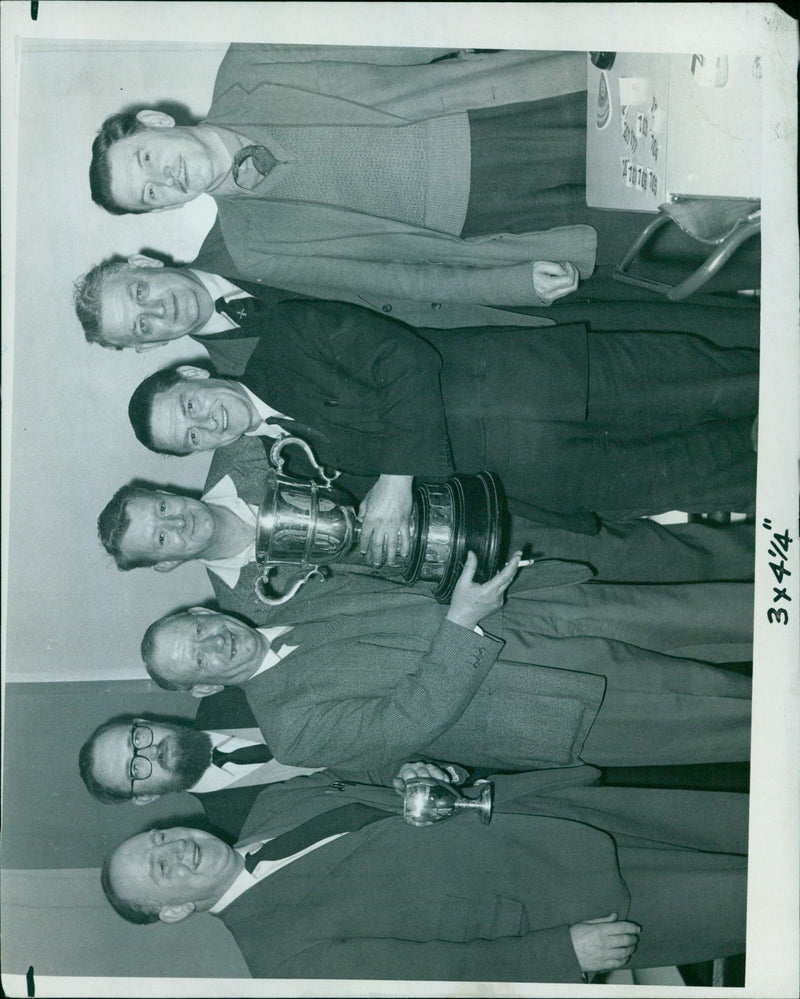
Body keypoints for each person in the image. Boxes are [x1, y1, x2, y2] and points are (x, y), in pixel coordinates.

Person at [127, 300, 760, 537]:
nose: (207, 422)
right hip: (561, 479)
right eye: (192, 438)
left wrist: (397, 478)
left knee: (734, 384)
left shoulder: (286, 337)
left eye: (190, 407)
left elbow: (401, 357)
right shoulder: (290, 473)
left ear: (194, 374)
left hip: (554, 383)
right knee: (728, 479)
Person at [138, 551, 752, 783]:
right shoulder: (290, 732)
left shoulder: (285, 590)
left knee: (722, 611)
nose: (211, 641)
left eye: (195, 627)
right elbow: (411, 719)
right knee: (734, 712)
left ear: (202, 609)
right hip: (547, 702)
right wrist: (461, 621)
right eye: (197, 659)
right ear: (207, 685)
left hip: (539, 606)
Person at [101, 765, 747, 982]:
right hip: (567, 904)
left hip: (557, 812)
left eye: (159, 837)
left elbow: (391, 785)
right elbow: (438, 972)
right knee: (755, 901)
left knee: (750, 820)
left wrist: (418, 769)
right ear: (174, 910)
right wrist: (560, 950)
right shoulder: (277, 957)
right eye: (159, 871)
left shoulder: (275, 803)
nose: (175, 849)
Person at [89, 45, 618, 309]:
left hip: (496, 109)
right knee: (655, 216)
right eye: (151, 195)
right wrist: (511, 281)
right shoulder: (255, 251)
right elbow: (396, 279)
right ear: (164, 210)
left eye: (145, 160)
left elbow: (403, 35)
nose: (165, 178)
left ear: (156, 124)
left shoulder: (250, 61)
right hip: (493, 224)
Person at [98, 436, 757, 627]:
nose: (173, 523)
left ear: (165, 488)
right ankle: (766, 560)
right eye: (158, 540)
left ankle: (767, 475)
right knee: (639, 562)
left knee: (652, 474)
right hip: (462, 583)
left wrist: (402, 472)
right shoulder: (242, 606)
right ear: (161, 565)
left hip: (476, 479)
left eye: (160, 507)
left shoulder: (242, 450)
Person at [77, 697, 319, 840]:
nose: (151, 752)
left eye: (137, 739)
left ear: (145, 723)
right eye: (135, 769)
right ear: (146, 796)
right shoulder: (241, 829)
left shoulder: (230, 693)